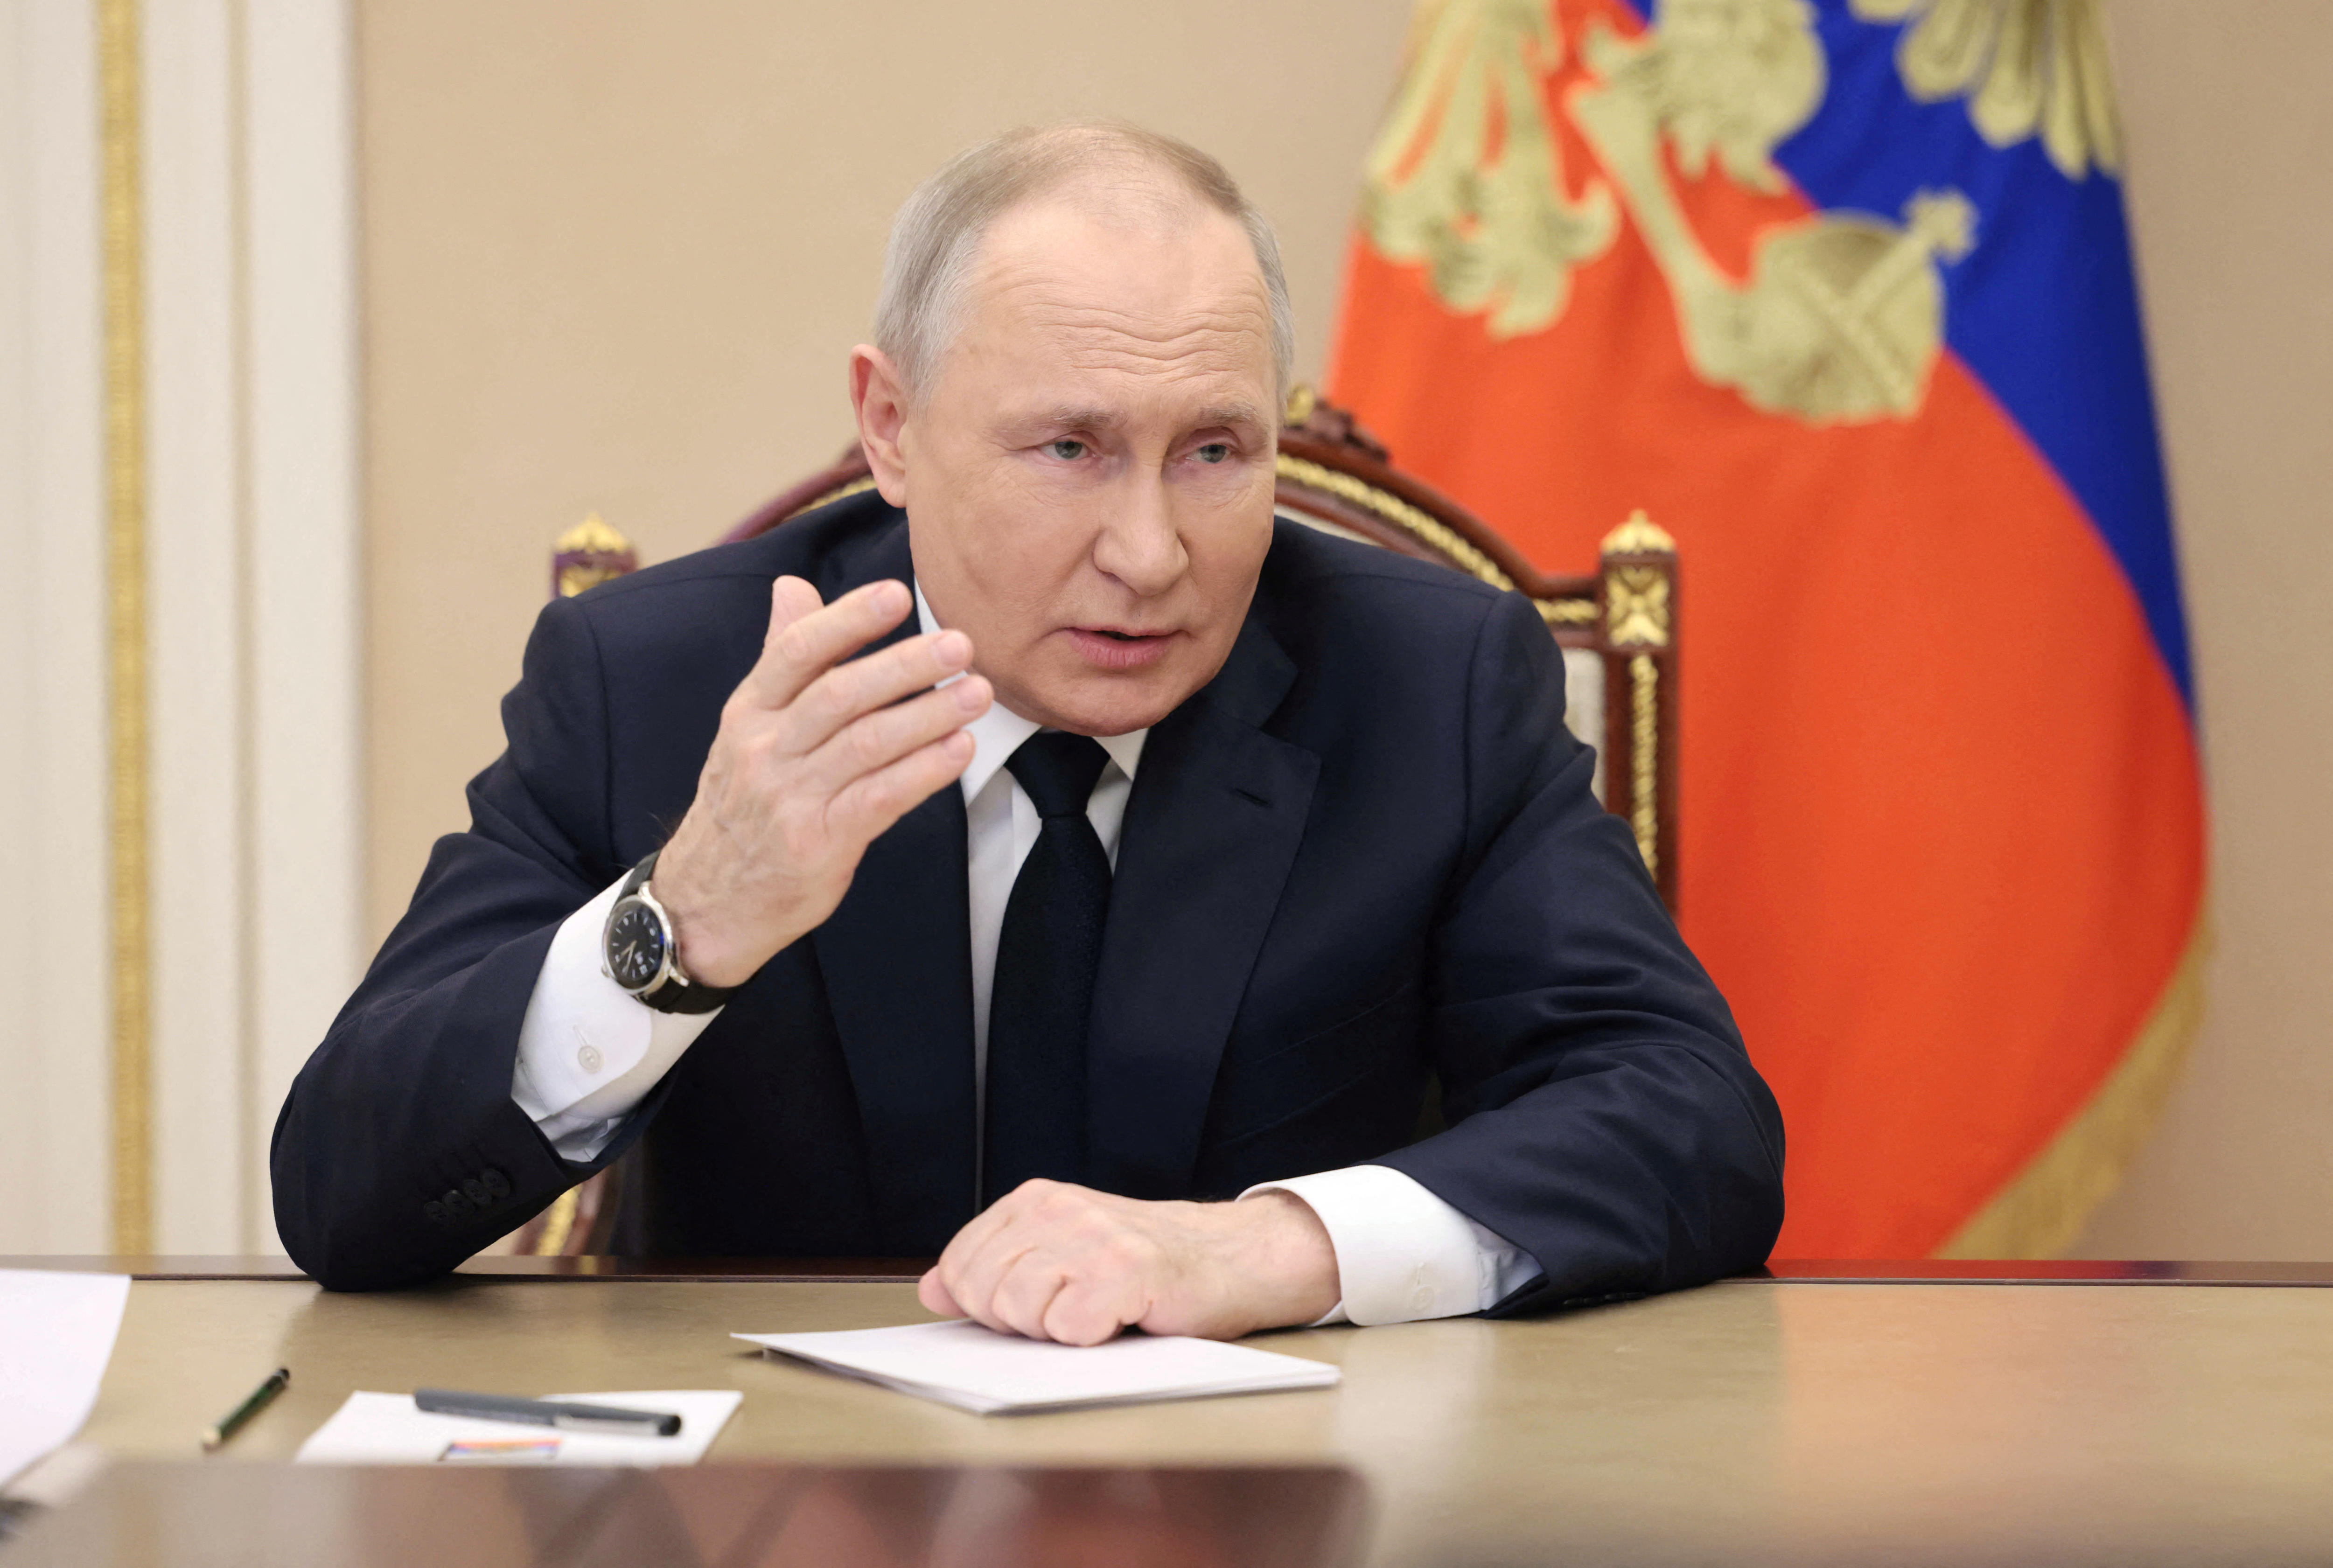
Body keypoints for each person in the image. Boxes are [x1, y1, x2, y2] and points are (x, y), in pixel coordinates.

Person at [273, 123, 1783, 1340]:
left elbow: (1690, 1119)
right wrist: (680, 923)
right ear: (890, 427)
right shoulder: (657, 682)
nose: (1148, 552)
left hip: (1295, 1499)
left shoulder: (1427, 684)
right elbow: (343, 1190)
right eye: (1068, 448)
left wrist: (1268, 1247)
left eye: (1213, 451)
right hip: (797, 1504)